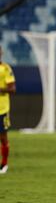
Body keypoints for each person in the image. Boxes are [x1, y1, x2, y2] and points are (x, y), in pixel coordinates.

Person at [0, 45, 16, 174]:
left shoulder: (5, 69)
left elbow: (12, 89)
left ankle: (4, 164)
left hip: (2, 109)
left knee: (3, 137)